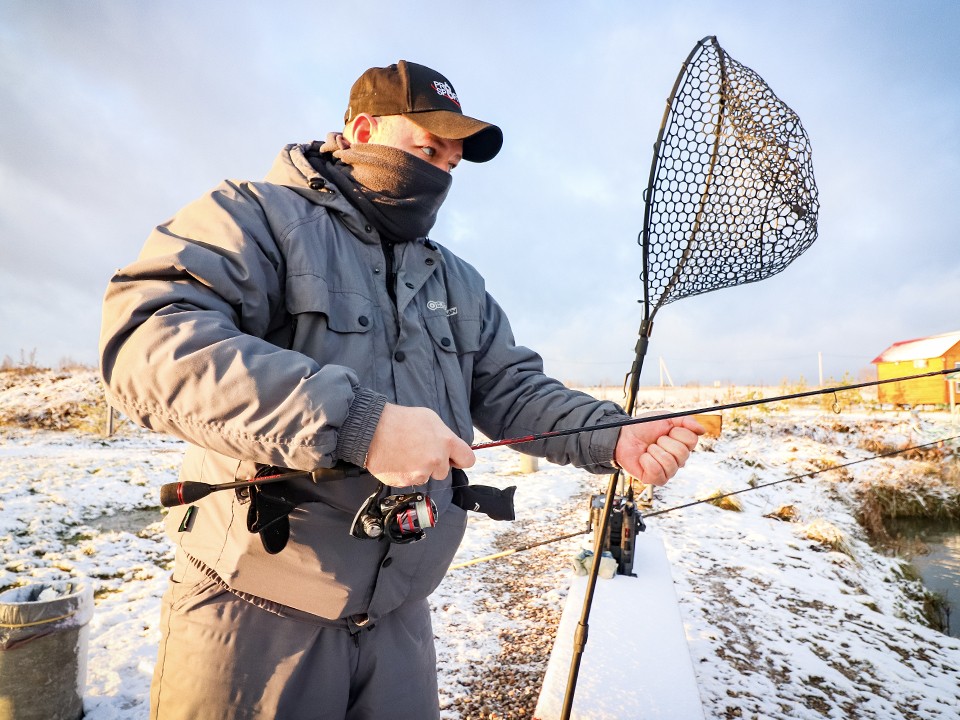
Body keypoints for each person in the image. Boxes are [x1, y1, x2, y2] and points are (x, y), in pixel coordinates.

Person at [99, 60, 703, 720]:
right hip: (252, 621)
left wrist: (612, 436)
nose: (442, 171)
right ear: (362, 130)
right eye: (428, 147)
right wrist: (359, 423)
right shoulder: (256, 217)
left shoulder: (457, 282)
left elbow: (514, 389)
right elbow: (147, 342)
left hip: (399, 627)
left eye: (452, 159)